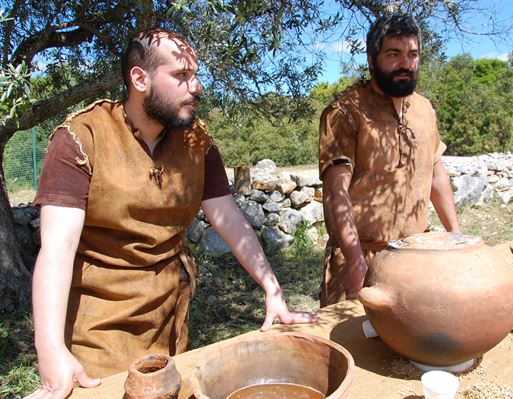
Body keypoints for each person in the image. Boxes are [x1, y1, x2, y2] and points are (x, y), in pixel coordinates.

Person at [26, 28, 317, 399]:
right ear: (139, 78)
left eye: (195, 76)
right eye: (181, 76)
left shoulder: (197, 141)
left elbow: (226, 216)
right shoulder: (81, 138)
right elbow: (56, 248)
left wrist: (272, 289)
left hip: (171, 318)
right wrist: (50, 349)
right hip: (97, 327)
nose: (195, 87)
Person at [318, 13, 460, 307]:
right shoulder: (345, 112)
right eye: (393, 54)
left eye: (412, 54)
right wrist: (356, 260)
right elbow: (336, 192)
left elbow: (436, 175)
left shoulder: (424, 109)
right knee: (353, 347)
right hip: (360, 258)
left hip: (417, 257)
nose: (405, 64)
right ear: (372, 59)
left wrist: (458, 238)